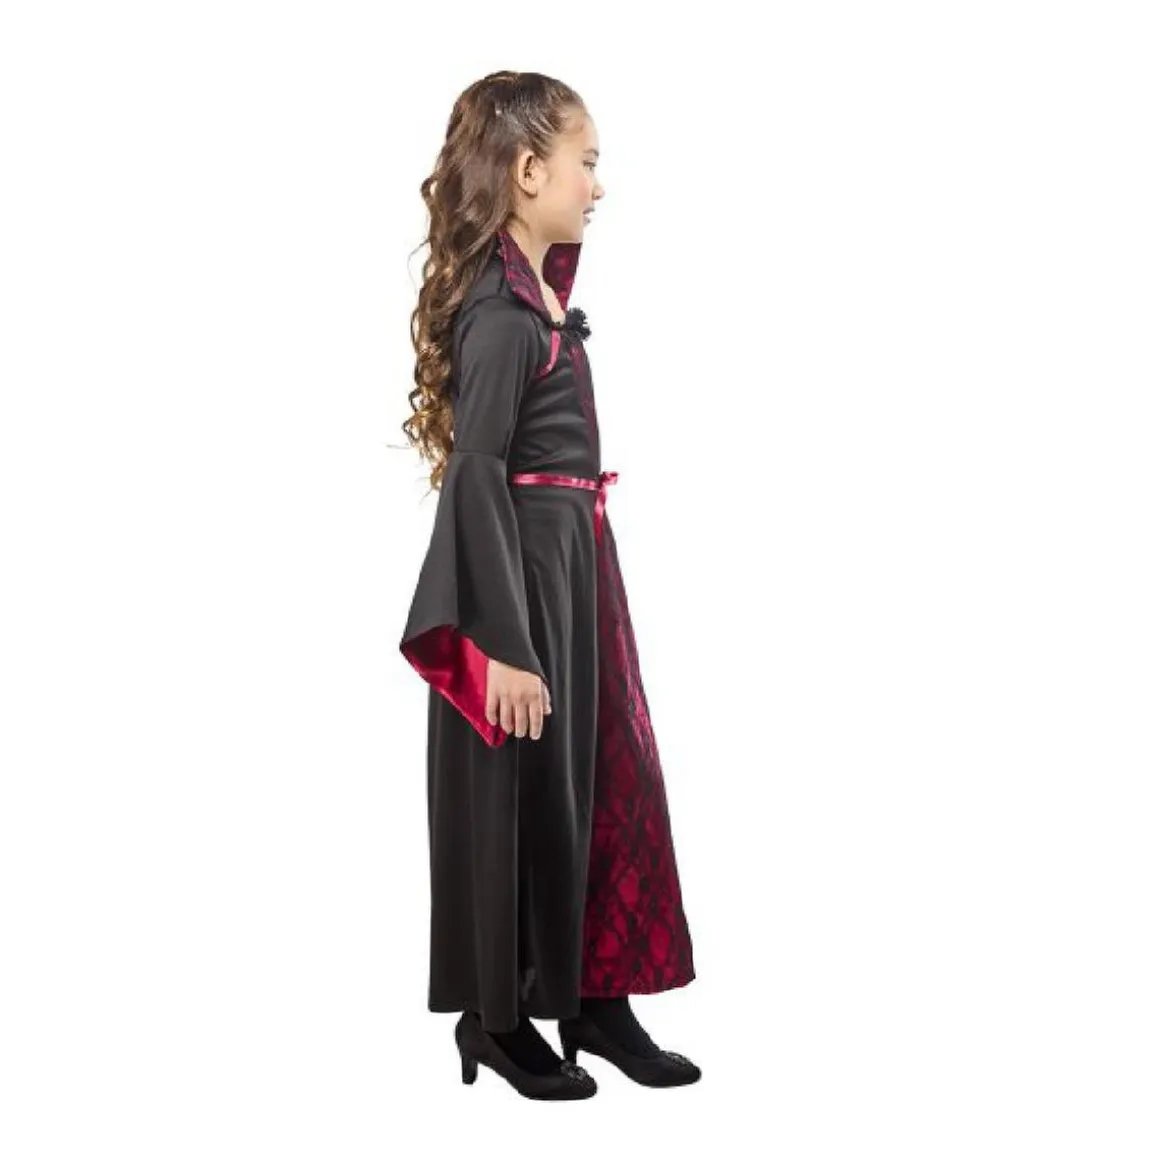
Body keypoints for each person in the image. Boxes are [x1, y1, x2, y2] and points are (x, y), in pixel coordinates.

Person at [399, 71, 701, 1100]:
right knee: (519, 793)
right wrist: (503, 643)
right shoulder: (500, 315)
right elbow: (476, 472)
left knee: (600, 780)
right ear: (528, 171)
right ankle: (497, 1018)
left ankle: (592, 996)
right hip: (520, 578)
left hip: (573, 567)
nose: (597, 186)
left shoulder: (543, 307)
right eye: (587, 163)